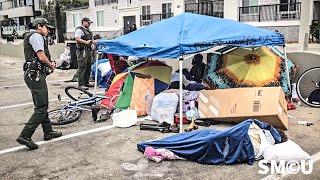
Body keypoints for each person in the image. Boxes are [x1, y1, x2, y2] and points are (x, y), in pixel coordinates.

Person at [16, 18, 62, 150]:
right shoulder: (36, 36)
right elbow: (41, 57)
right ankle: (25, 135)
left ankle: (48, 131)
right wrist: (51, 65)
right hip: (35, 76)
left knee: (41, 104)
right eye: (46, 27)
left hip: (33, 75)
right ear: (39, 26)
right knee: (41, 106)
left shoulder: (32, 36)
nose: (48, 30)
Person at [74, 17, 95, 90]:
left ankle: (86, 82)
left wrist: (92, 44)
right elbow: (77, 38)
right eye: (88, 22)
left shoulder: (88, 30)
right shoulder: (79, 30)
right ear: (83, 22)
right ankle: (81, 84)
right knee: (82, 67)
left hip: (88, 51)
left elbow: (91, 39)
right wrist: (85, 42)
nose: (89, 24)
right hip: (82, 51)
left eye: (90, 23)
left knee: (88, 66)